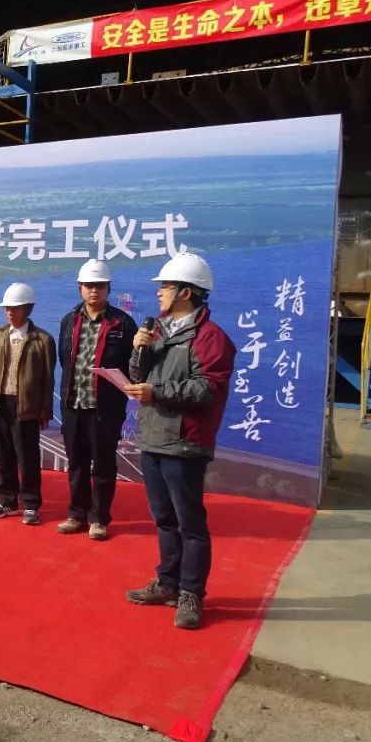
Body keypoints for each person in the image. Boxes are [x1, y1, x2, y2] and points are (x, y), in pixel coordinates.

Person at [123, 252, 235, 630]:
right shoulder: (158, 330)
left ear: (186, 292)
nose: (159, 293)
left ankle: (191, 593)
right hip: (154, 437)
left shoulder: (211, 337)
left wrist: (156, 391)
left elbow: (208, 388)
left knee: (190, 523)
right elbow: (137, 376)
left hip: (185, 442)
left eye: (166, 286)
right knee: (164, 519)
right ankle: (167, 583)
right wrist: (138, 347)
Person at [56, 259, 138, 540]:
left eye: (100, 286)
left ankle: (99, 518)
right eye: (89, 286)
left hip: (105, 409)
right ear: (80, 288)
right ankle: (76, 514)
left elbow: (132, 365)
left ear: (108, 289)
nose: (94, 291)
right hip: (73, 404)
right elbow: (64, 361)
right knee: (76, 462)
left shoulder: (122, 323)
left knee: (103, 464)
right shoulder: (69, 320)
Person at [0, 282, 55, 526]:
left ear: (27, 309)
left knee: (28, 457)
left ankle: (31, 505)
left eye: (14, 308)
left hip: (27, 406)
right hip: (1, 403)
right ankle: (7, 501)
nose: (9, 313)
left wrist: (45, 409)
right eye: (7, 309)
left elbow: (48, 378)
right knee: (4, 455)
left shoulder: (42, 340)